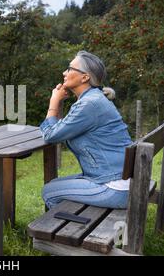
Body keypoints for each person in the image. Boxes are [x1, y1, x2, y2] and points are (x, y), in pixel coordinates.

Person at [40, 50, 133, 209]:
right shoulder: (93, 99)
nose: (64, 72)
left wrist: (54, 101)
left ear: (85, 77)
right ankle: (71, 226)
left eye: (70, 69)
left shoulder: (89, 104)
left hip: (114, 186)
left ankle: (68, 231)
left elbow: (50, 135)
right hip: (118, 177)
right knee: (55, 184)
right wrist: (58, 103)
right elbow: (61, 128)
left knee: (48, 191)